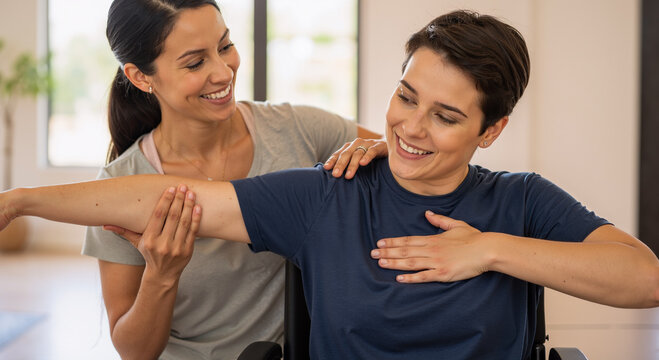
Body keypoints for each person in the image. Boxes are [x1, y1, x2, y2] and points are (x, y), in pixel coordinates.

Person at [3, 9, 658, 359]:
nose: (411, 127)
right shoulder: (324, 193)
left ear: (490, 131)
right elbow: (164, 195)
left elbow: (643, 279)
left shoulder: (519, 199)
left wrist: (488, 249)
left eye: (447, 116)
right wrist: (20, 201)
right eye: (405, 97)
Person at [84, 0, 383, 359]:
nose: (224, 72)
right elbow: (135, 352)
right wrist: (161, 276)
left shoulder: (300, 131)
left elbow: (407, 159)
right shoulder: (119, 187)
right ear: (140, 77)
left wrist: (384, 154)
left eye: (225, 46)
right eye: (195, 62)